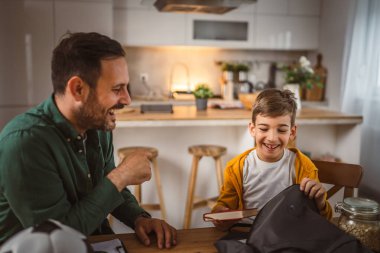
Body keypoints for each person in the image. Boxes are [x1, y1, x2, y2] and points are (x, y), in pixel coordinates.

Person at [0, 32, 177, 248]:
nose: (127, 100)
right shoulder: (24, 144)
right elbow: (59, 240)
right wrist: (121, 176)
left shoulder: (97, 125)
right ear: (78, 89)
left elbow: (108, 187)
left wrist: (139, 218)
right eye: (116, 89)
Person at [212, 88, 332, 231]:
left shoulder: (303, 167)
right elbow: (223, 209)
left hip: (287, 234)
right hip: (246, 233)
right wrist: (220, 215)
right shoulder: (236, 167)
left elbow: (323, 221)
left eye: (281, 130)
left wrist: (320, 202)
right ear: (252, 129)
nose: (272, 138)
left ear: (292, 132)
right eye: (263, 129)